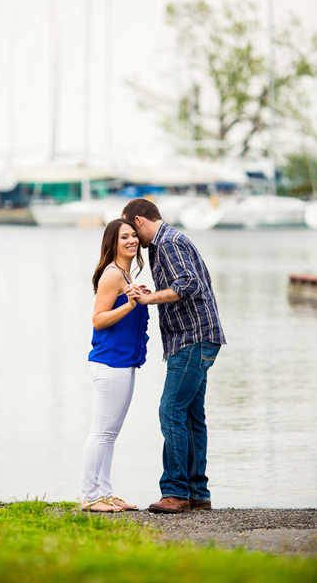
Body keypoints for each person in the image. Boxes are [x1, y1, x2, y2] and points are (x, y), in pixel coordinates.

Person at [121, 198, 226, 514]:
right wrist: (149, 293)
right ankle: (197, 493)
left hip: (193, 339)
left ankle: (176, 492)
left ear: (140, 221)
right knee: (192, 415)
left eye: (131, 231)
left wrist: (149, 299)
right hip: (200, 337)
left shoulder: (167, 242)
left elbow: (188, 284)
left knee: (170, 409)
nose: (133, 240)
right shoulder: (168, 241)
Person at [81, 218, 150, 513]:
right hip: (110, 363)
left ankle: (105, 493)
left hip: (122, 363)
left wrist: (136, 295)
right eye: (125, 237)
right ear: (113, 242)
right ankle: (88, 496)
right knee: (101, 432)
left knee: (110, 433)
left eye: (134, 235)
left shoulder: (124, 274)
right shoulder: (112, 274)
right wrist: (129, 304)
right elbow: (98, 319)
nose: (132, 240)